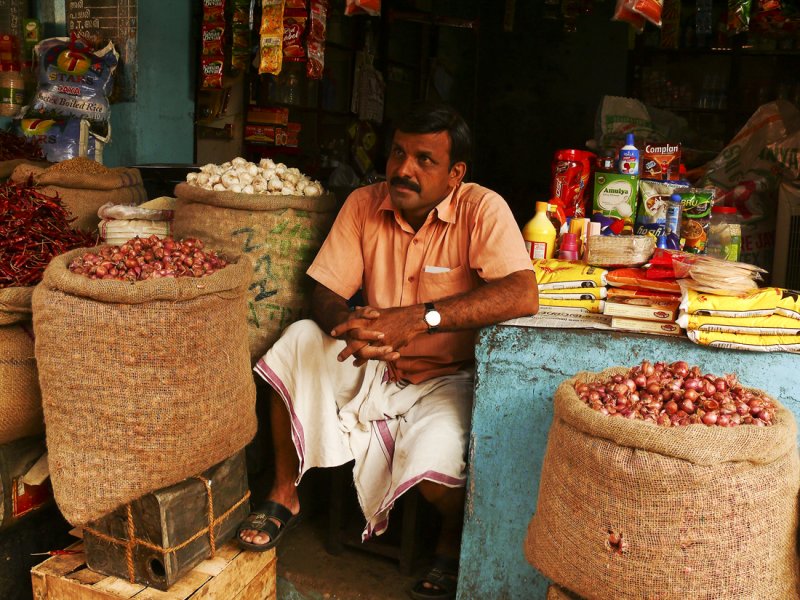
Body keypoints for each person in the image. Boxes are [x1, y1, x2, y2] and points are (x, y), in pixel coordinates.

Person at [238, 102, 538, 599]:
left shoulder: (482, 208)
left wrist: (421, 317)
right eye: (399, 153)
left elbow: (521, 293)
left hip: (447, 376)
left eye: (424, 160)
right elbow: (327, 291)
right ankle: (284, 492)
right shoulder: (364, 203)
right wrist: (345, 322)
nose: (403, 169)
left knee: (436, 480)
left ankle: (448, 540)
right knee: (298, 343)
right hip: (374, 363)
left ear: (454, 174)